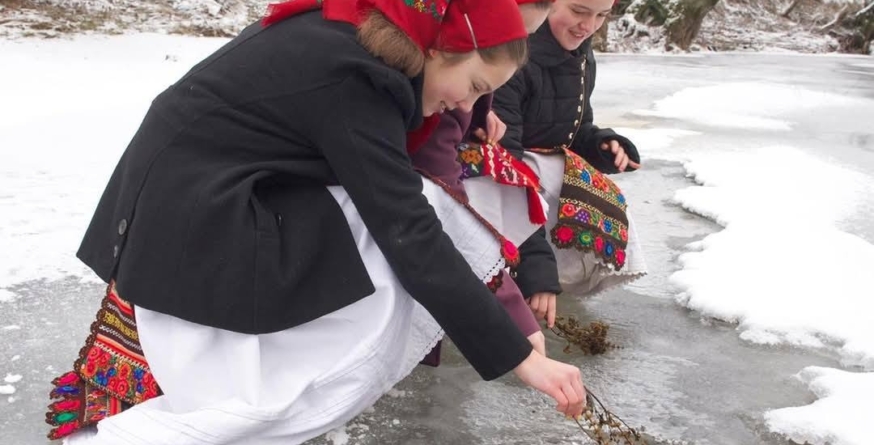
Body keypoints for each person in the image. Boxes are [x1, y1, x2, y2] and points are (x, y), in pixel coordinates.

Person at [46, 1, 588, 444]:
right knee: (415, 216)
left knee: (407, 209)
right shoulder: (359, 79)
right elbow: (411, 231)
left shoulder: (364, 35)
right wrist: (520, 357)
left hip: (189, 200)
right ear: (438, 47)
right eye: (470, 85)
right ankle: (286, 379)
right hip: (190, 218)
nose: (462, 104)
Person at [410, 0, 554, 360]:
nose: (515, 48)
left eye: (526, 38)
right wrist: (515, 318)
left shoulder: (469, 77)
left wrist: (479, 114)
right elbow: (451, 214)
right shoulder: (435, 100)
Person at [491, 0, 645, 327]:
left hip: (534, 171)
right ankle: (505, 278)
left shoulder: (582, 55)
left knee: (604, 195)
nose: (588, 26)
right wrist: (535, 269)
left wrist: (603, 144)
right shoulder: (514, 56)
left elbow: (573, 129)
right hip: (493, 177)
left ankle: (554, 278)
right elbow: (505, 164)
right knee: (543, 175)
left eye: (601, 15)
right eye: (579, 11)